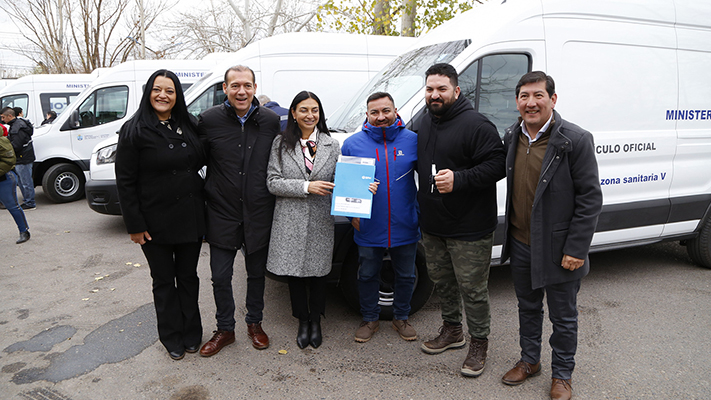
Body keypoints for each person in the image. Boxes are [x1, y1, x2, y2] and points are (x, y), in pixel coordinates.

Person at [500, 71, 602, 400]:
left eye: (538, 95)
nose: (531, 103)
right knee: (527, 307)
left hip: (559, 248)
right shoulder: (511, 135)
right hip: (521, 242)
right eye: (524, 96)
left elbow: (590, 198)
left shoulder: (574, 139)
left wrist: (576, 247)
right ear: (517, 102)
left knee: (564, 316)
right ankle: (530, 361)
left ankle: (562, 375)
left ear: (552, 99)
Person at [416, 63, 506, 377]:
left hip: (469, 227)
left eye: (441, 89)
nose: (434, 94)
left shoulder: (476, 124)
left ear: (456, 90)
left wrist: (461, 179)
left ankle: (479, 342)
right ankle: (452, 330)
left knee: (473, 289)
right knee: (443, 283)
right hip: (433, 224)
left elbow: (498, 165)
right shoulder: (426, 122)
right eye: (429, 89)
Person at [115, 69, 206, 361]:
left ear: (177, 95)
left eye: (169, 90)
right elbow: (125, 182)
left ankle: (193, 333)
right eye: (157, 89)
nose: (163, 95)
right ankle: (171, 337)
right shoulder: (134, 130)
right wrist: (135, 225)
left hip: (190, 218)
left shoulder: (189, 124)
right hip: (155, 223)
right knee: (164, 282)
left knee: (189, 278)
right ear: (148, 92)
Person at [197, 65, 280, 357]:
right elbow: (190, 159)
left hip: (258, 211)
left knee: (256, 274)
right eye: (235, 86)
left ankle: (254, 324)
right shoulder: (208, 121)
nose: (241, 91)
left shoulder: (271, 121)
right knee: (220, 275)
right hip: (221, 211)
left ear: (255, 88)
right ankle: (225, 329)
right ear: (225, 88)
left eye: (246, 85)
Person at [341, 92, 420, 343]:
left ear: (396, 111)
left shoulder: (414, 141)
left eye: (386, 111)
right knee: (366, 274)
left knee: (406, 275)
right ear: (367, 115)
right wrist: (351, 214)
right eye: (374, 112)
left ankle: (401, 318)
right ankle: (369, 318)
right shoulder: (353, 144)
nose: (380, 117)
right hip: (368, 224)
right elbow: (345, 185)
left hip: (405, 223)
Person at [266, 91, 340, 349]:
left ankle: (316, 321)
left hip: (320, 218)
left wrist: (363, 188)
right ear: (294, 114)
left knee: (319, 273)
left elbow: (340, 181)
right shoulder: (280, 143)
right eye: (304, 110)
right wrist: (306, 187)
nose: (310, 115)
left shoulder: (332, 145)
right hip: (290, 219)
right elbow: (273, 182)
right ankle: (302, 320)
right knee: (294, 274)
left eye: (315, 110)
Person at [1, 107, 35, 210]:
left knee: (25, 181)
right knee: (23, 181)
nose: (2, 120)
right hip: (23, 156)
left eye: (3, 117)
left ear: (10, 116)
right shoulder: (17, 124)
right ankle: (28, 200)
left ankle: (30, 202)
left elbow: (16, 145)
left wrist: (5, 149)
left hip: (22, 157)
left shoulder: (16, 127)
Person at [0, 134, 30, 244]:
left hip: (4, 179)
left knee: (12, 206)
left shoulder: (2, 141)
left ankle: (24, 231)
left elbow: (9, 161)